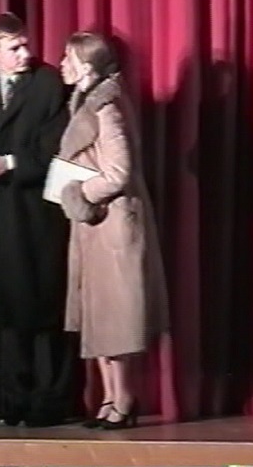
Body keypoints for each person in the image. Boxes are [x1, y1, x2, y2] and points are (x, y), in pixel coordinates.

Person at [0, 12, 75, 427]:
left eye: (26, 44)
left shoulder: (49, 83)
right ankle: (12, 400)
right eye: (14, 48)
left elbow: (55, 149)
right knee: (4, 310)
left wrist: (8, 162)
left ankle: (49, 401)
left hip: (37, 215)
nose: (25, 53)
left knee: (44, 308)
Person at [56, 32, 169, 430]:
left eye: (68, 58)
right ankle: (109, 397)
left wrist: (78, 193)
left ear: (86, 66)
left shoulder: (107, 109)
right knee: (99, 316)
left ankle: (123, 399)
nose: (62, 65)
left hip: (113, 223)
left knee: (115, 318)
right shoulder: (86, 101)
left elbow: (119, 173)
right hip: (95, 224)